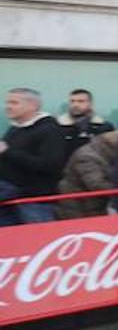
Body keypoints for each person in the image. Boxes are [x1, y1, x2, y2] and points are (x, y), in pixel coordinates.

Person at [0, 87, 66, 226]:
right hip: (9, 199)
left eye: (14, 103)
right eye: (7, 103)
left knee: (40, 242)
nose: (8, 107)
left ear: (33, 105)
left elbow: (51, 166)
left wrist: (8, 152)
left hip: (35, 202)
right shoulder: (15, 128)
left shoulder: (50, 130)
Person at [58, 129, 118, 218]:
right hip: (80, 207)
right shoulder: (87, 156)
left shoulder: (103, 154)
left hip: (93, 205)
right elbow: (96, 184)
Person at [58, 88, 114, 164]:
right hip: (65, 173)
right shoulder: (58, 126)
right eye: (72, 101)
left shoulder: (104, 127)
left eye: (81, 101)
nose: (75, 105)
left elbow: (110, 154)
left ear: (90, 104)